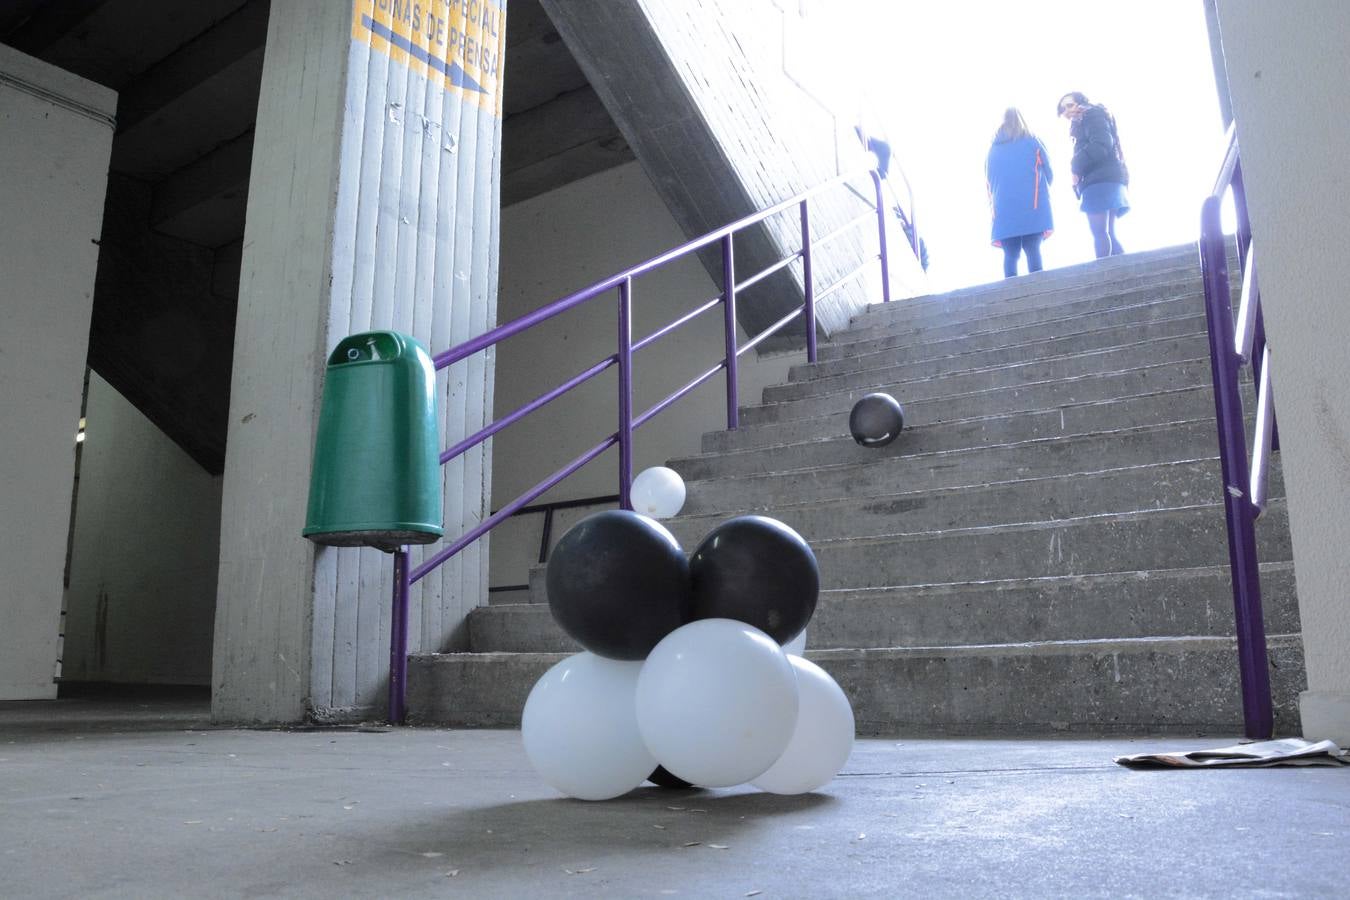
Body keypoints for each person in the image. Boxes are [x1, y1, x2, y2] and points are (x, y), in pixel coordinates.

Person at [1057, 91, 1129, 258]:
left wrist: (1075, 165)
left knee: (1099, 232)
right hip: (1107, 177)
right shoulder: (1089, 118)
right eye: (1063, 109)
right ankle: (1126, 274)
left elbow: (1102, 143)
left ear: (1080, 102)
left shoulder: (1091, 114)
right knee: (1108, 233)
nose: (1067, 111)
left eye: (1070, 105)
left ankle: (1102, 278)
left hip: (1099, 180)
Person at [986, 107, 1054, 278]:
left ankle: (1010, 295)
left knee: (1010, 254)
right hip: (1032, 203)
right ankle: (1038, 290)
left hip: (1004, 206)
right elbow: (1049, 171)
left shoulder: (993, 149)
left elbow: (988, 178)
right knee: (1033, 249)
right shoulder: (1033, 142)